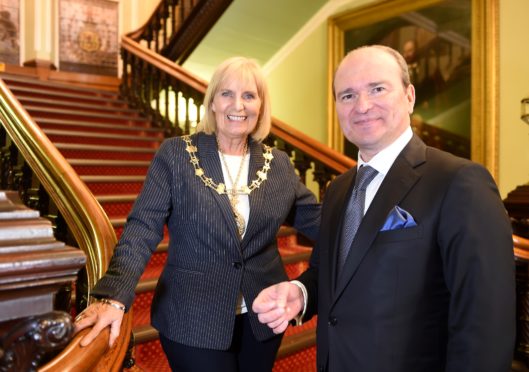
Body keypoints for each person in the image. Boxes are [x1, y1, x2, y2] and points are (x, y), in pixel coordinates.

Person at [252, 45, 515, 372]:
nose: (362, 106)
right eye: (347, 95)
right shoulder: (337, 190)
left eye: (377, 89)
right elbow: (334, 275)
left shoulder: (459, 182)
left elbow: (486, 322)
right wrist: (301, 291)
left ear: (409, 96)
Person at [73, 56, 321, 372]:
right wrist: (114, 297)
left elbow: (318, 221)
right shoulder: (176, 154)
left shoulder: (279, 164)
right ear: (213, 102)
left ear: (261, 106)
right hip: (192, 316)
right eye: (227, 93)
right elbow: (142, 228)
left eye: (249, 95)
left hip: (263, 316)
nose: (238, 104)